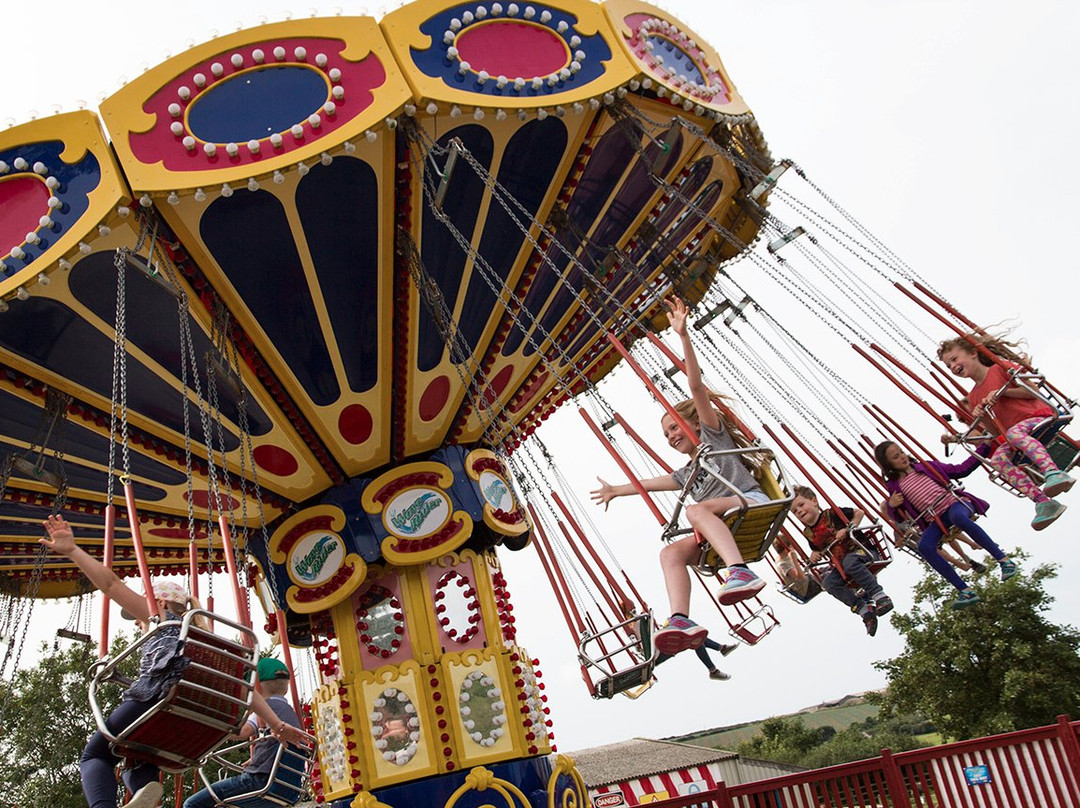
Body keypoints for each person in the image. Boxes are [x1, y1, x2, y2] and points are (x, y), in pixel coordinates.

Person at [40, 515, 306, 808]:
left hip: (162, 698)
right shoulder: (213, 645)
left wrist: (72, 550)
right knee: (137, 753)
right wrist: (276, 724)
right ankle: (147, 787)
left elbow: (111, 584)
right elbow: (243, 690)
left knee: (97, 754)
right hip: (196, 724)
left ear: (161, 603)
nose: (138, 623)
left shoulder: (164, 621)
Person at [591, 297, 771, 656]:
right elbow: (650, 484)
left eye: (675, 426)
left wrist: (683, 336)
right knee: (670, 554)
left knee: (696, 512)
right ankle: (680, 618)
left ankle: (741, 571)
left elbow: (697, 387)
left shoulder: (712, 437)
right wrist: (615, 490)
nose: (672, 435)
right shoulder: (688, 471)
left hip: (750, 504)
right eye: (667, 434)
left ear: (692, 421)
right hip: (722, 521)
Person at [938, 333, 1073, 529]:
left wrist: (1003, 392)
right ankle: (1043, 502)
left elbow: (1031, 390)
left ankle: (1053, 472)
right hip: (1015, 434)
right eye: (948, 366)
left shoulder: (999, 368)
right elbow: (995, 432)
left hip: (1038, 416)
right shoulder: (974, 396)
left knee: (1014, 434)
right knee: (998, 460)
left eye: (954, 359)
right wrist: (983, 416)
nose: (953, 366)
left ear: (973, 353)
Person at [875, 441, 1018, 609]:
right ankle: (964, 590)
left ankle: (1003, 560)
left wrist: (984, 448)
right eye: (896, 457)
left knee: (958, 517)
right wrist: (892, 505)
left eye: (901, 452)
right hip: (935, 520)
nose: (902, 457)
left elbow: (961, 469)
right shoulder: (894, 486)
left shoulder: (926, 467)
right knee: (925, 547)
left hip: (954, 505)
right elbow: (898, 517)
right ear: (888, 464)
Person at [183, 657, 304, 808]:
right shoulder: (290, 714)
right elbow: (282, 750)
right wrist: (260, 758)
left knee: (193, 804)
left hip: (262, 782)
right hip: (290, 789)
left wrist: (205, 723)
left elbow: (239, 732)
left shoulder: (265, 711)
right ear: (285, 687)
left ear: (255, 688)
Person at [789, 486, 892, 636]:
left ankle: (879, 596)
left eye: (801, 504)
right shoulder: (809, 533)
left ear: (814, 501)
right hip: (844, 564)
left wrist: (849, 528)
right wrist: (814, 555)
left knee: (850, 562)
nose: (799, 511)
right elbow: (816, 548)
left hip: (863, 552)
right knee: (828, 583)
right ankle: (864, 610)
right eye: (794, 511)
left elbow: (859, 513)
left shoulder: (832, 514)